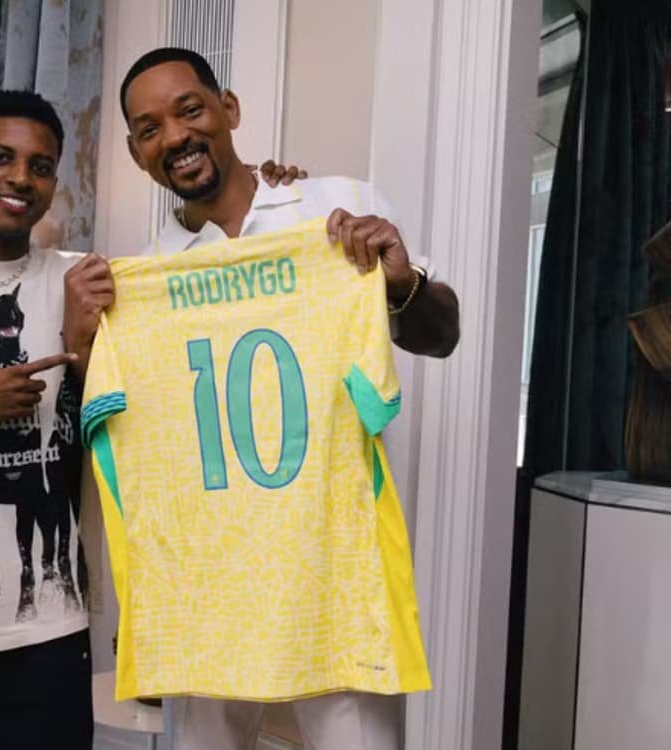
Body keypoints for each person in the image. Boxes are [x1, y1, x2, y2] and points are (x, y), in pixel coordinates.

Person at [0, 88, 308, 750]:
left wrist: (276, 196)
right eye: (0, 157)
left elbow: (154, 402)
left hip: (54, 633)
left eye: (40, 167)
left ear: (54, 185)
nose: (20, 177)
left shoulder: (91, 282)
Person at [61, 48, 461, 750]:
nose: (175, 136)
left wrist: (401, 283)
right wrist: (82, 340)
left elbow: (442, 333)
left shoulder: (335, 210)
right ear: (134, 152)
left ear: (230, 109)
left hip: (331, 570)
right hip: (205, 582)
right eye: (150, 128)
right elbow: (116, 431)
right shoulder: (145, 277)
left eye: (190, 110)